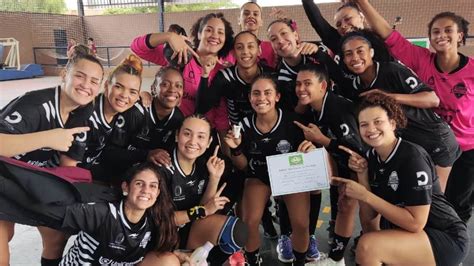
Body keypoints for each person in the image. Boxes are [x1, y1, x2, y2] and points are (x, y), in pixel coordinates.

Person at [352, 0, 474, 223]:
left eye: (448, 30)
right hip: (425, 144)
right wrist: (362, 3)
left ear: (461, 35)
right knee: (426, 203)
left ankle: (452, 250)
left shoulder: (472, 70)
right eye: (435, 31)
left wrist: (390, 97)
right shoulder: (421, 60)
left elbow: (431, 99)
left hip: (465, 149)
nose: (441, 35)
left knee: (458, 205)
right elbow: (389, 35)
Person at [326, 93, 469, 266]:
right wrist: (363, 175)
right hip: (407, 233)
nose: (371, 129)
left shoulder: (412, 157)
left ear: (393, 124)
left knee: (368, 247)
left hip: (444, 235)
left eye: (378, 122)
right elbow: (369, 219)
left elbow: (416, 223)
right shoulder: (371, 157)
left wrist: (365, 195)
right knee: (368, 241)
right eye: (364, 124)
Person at [0, 51, 103, 266]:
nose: (86, 85)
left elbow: (68, 166)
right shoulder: (34, 105)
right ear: (64, 74)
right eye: (80, 76)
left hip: (28, 180)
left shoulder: (84, 111)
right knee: (2, 239)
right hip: (4, 179)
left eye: (94, 81)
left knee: (56, 234)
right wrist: (48, 138)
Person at [339, 31, 460, 193]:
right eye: (348, 54)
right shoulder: (357, 87)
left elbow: (432, 99)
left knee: (432, 200)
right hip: (411, 147)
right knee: (411, 198)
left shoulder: (392, 70)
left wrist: (389, 97)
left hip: (435, 140)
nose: (354, 57)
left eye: (360, 51)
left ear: (371, 52)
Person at [224, 75, 316, 266]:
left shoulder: (293, 123)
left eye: (267, 93)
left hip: (290, 176)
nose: (261, 98)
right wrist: (235, 148)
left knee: (301, 223)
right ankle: (253, 260)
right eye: (256, 93)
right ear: (250, 98)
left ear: (277, 97)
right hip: (259, 176)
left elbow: (309, 155)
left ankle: (299, 262)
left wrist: (309, 150)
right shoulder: (243, 125)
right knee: (249, 222)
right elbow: (242, 165)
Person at [294, 64, 367, 265]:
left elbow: (358, 152)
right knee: (342, 207)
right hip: (341, 165)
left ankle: (341, 259)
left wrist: (323, 140)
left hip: (362, 166)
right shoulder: (314, 109)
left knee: (353, 209)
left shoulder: (339, 110)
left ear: (323, 86)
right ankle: (337, 258)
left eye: (307, 83)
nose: (301, 88)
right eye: (298, 84)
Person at [158, 114, 248, 265]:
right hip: (160, 238)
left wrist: (214, 177)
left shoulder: (202, 165)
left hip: (188, 231)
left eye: (201, 137)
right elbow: (160, 219)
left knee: (237, 232)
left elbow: (204, 210)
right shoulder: (162, 169)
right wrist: (203, 210)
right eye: (187, 134)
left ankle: (202, 261)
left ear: (209, 142)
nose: (193, 141)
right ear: (176, 136)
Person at [131, 12, 234, 139]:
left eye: (220, 32)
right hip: (171, 132)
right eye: (209, 30)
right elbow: (137, 48)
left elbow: (221, 116)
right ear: (199, 33)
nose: (214, 35)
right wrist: (169, 36)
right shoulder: (180, 55)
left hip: (200, 137)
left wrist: (228, 152)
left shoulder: (223, 72)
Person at [59, 54, 143, 183]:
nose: (124, 96)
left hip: (90, 169)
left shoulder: (123, 112)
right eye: (118, 86)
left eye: (132, 91)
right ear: (106, 85)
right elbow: (67, 169)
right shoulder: (86, 116)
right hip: (61, 176)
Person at [101, 67, 184, 178]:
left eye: (178, 86)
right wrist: (146, 155)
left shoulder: (178, 118)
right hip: (122, 171)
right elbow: (110, 152)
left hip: (151, 173)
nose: (172, 90)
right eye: (165, 84)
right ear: (153, 88)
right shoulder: (136, 112)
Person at [238, 1, 277, 68]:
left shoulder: (271, 47)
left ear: (261, 22)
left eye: (255, 14)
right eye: (246, 13)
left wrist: (288, 23)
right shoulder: (229, 47)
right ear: (239, 20)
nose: (251, 16)